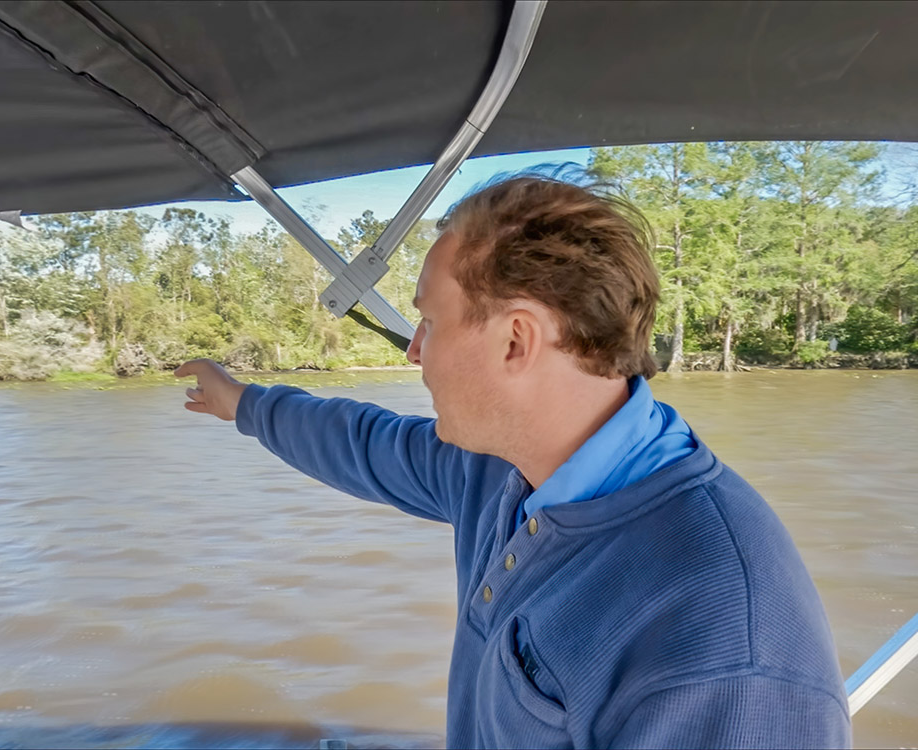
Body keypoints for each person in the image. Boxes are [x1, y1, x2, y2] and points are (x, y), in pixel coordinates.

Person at [175, 169, 850, 749]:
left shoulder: (730, 644)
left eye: (430, 323)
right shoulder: (501, 468)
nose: (414, 352)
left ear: (515, 340)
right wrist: (244, 405)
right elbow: (366, 443)